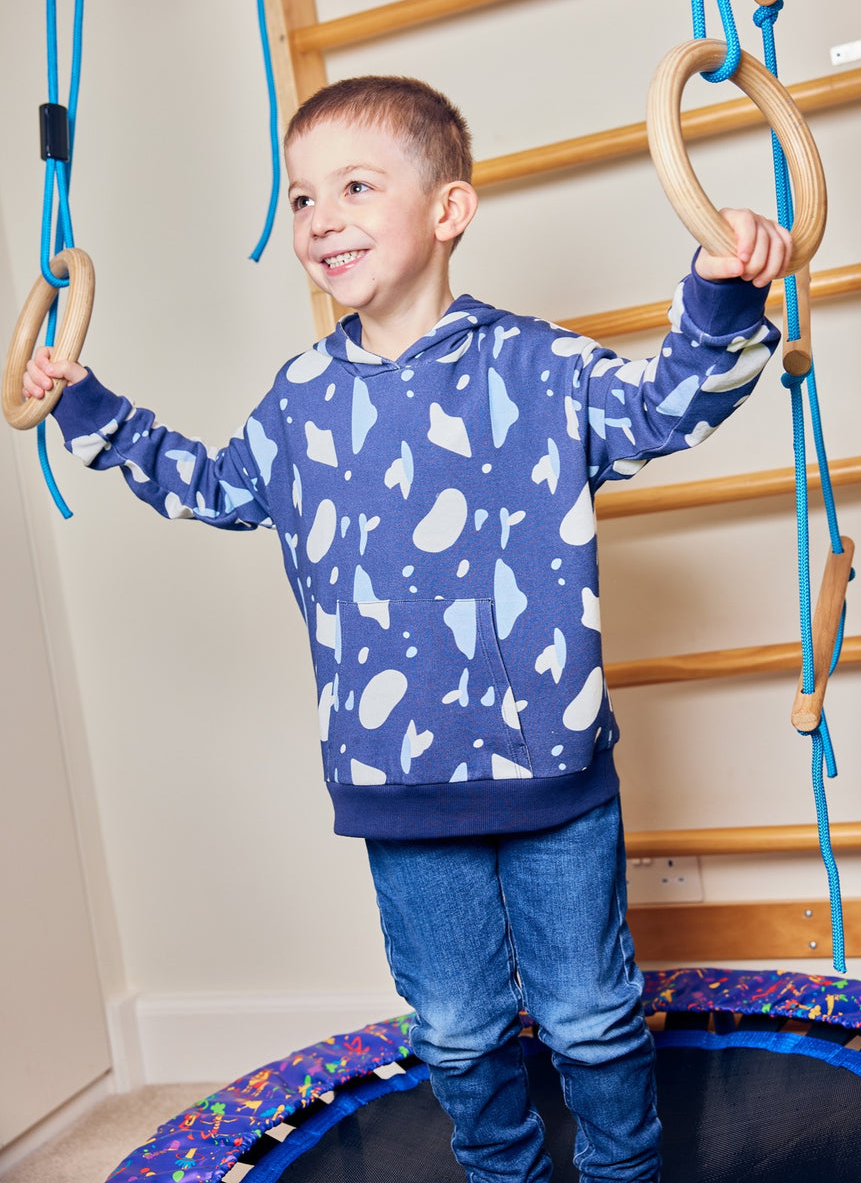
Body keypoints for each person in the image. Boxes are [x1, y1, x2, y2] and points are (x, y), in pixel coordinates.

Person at [25, 76, 791, 1182]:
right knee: (458, 1029)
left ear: (448, 212)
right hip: (398, 783)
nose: (319, 217)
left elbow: (664, 407)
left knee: (586, 1016)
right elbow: (210, 484)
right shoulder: (298, 403)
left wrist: (722, 294)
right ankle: (501, 1174)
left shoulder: (537, 366)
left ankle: (624, 1173)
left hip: (555, 776)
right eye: (299, 198)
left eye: (353, 186)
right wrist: (89, 405)